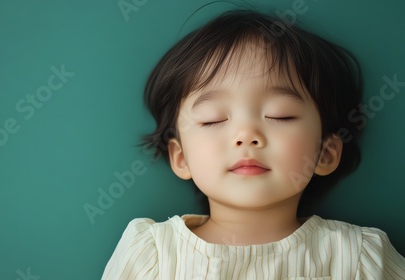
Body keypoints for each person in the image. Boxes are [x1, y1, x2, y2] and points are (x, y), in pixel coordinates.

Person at [102, 9, 405, 279]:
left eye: (280, 115)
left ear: (325, 153)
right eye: (213, 119)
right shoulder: (152, 256)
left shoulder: (359, 258)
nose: (246, 135)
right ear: (181, 158)